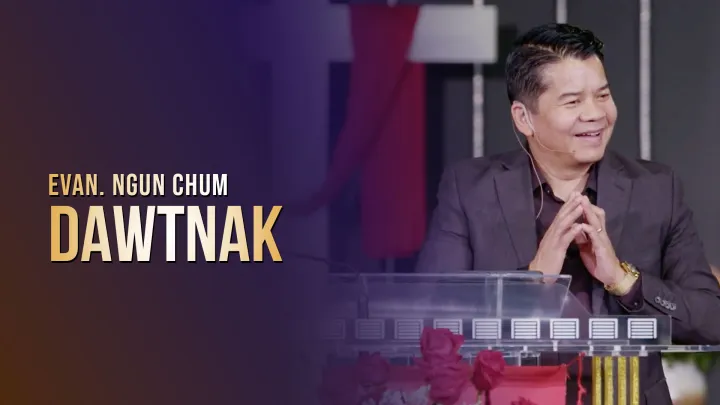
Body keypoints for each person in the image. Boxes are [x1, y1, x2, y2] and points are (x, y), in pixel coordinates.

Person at [416, 23, 720, 405]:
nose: (596, 114)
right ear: (524, 118)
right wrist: (531, 285)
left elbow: (711, 319)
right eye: (573, 102)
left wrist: (623, 280)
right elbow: (430, 320)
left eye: (603, 95)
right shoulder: (470, 189)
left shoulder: (656, 189)